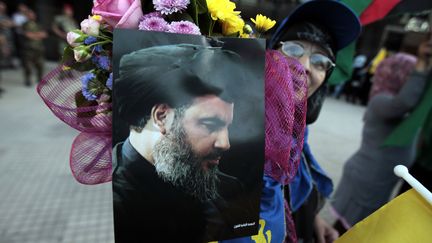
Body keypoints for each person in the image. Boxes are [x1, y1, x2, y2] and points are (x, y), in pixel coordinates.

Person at [112, 43, 258, 242]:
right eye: (209, 124)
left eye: (227, 126)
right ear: (162, 117)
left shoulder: (229, 191)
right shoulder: (110, 201)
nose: (225, 143)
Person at [267, 1, 361, 242]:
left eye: (320, 61)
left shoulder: (298, 133)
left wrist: (309, 216)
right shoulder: (231, 123)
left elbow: (290, 188)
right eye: (294, 49)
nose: (305, 66)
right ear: (269, 52)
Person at [331, 37, 430, 233]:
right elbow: (404, 103)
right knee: (346, 230)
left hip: (376, 181)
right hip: (365, 181)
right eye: (410, 75)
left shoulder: (411, 112)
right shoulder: (382, 101)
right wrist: (421, 68)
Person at [21, 9, 47, 86]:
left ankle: (40, 78)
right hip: (29, 49)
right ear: (27, 16)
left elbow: (44, 34)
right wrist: (37, 35)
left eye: (33, 14)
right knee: (28, 66)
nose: (32, 16)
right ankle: (28, 79)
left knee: (40, 65)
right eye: (30, 15)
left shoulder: (38, 24)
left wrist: (35, 35)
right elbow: (28, 35)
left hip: (39, 48)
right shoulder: (25, 24)